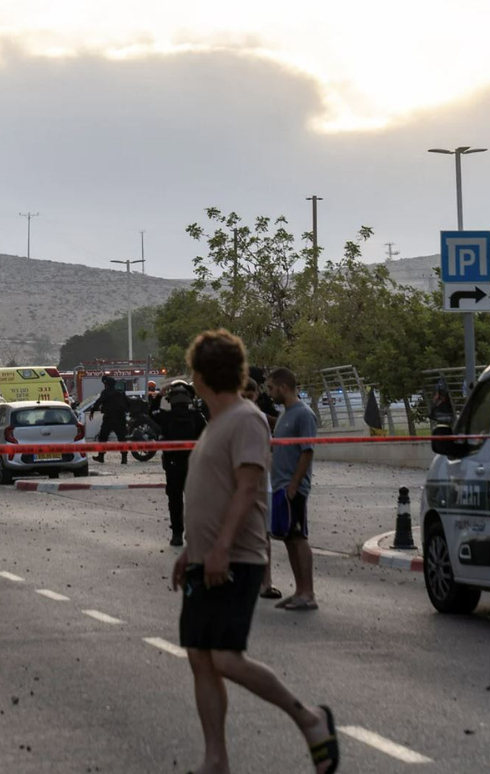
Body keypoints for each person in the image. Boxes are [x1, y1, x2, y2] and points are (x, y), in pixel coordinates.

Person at [174, 330, 338, 774]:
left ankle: (310, 720)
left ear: (201, 375)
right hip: (206, 557)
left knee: (225, 658)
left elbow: (247, 489)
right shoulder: (218, 422)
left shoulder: (246, 419)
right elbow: (212, 493)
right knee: (200, 657)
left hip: (234, 559)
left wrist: (221, 549)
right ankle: (215, 761)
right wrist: (191, 550)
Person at [267, 368, 319, 612]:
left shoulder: (304, 414)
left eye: (271, 388)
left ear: (283, 387)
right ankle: (299, 591)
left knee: (298, 537)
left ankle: (308, 593)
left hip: (293, 488)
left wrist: (295, 484)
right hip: (280, 486)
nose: (269, 393)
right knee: (288, 537)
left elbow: (307, 451)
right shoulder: (285, 414)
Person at [238, 379, 282, 601]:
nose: (247, 399)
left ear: (257, 394)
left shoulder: (264, 419)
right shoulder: (229, 419)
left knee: (263, 535)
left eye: (250, 395)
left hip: (263, 484)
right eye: (243, 395)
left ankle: (266, 582)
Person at [156, 380, 204, 547]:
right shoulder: (197, 416)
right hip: (194, 464)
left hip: (173, 465)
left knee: (175, 500)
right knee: (194, 501)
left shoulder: (165, 416)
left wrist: (159, 395)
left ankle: (177, 534)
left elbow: (151, 412)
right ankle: (193, 533)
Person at [94, 375, 131, 465]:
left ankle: (101, 456)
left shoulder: (105, 392)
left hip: (109, 419)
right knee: (122, 438)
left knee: (103, 437)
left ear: (106, 384)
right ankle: (124, 458)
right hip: (120, 419)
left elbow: (99, 402)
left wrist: (92, 411)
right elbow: (128, 403)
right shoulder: (120, 392)